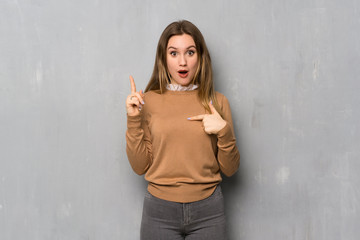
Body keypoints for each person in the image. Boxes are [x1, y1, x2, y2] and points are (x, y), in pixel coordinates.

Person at [125, 20, 240, 240]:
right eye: (174, 53)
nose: (183, 62)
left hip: (209, 211)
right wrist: (133, 119)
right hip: (159, 211)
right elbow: (140, 167)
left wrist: (224, 132)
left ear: (200, 57)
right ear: (164, 58)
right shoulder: (147, 101)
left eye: (190, 52)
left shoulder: (217, 102)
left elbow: (231, 169)